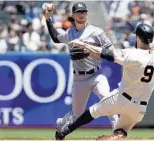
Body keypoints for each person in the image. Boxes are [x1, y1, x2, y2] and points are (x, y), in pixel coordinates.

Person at [55, 23, 154, 140]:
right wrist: (153, 81)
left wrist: (84, 45)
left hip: (121, 99)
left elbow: (107, 54)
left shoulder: (133, 53)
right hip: (140, 109)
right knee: (121, 130)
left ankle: (64, 132)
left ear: (137, 37)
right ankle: (116, 136)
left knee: (92, 112)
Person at [44, 2, 119, 131]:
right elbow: (56, 38)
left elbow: (112, 52)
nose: (81, 14)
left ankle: (118, 131)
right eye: (78, 12)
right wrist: (48, 18)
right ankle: (62, 122)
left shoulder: (97, 32)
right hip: (79, 79)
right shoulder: (70, 33)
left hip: (97, 74)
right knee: (76, 116)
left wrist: (91, 51)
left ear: (87, 14)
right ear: (73, 15)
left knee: (106, 99)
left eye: (83, 12)